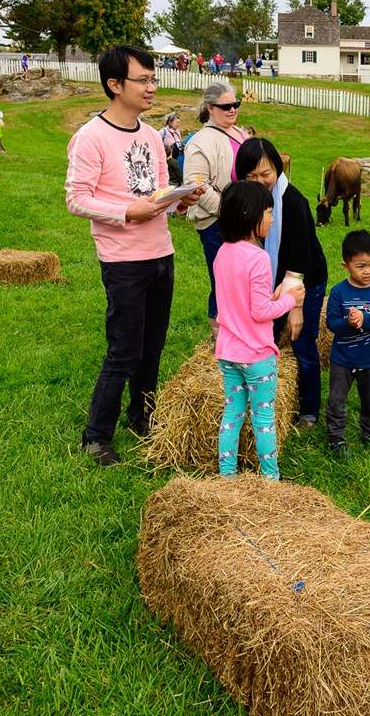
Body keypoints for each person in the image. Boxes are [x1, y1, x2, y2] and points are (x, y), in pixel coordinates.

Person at [64, 44, 205, 467]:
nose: (152, 87)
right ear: (114, 84)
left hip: (161, 252)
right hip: (122, 260)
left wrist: (179, 199)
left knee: (153, 346)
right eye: (143, 79)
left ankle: (142, 417)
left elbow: (158, 190)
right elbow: (76, 199)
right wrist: (128, 211)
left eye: (153, 78)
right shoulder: (90, 137)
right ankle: (96, 436)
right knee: (124, 350)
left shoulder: (150, 135)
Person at [236, 137, 329, 427]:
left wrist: (295, 307)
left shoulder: (293, 202)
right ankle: (267, 399)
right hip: (272, 280)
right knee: (268, 338)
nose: (260, 181)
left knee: (302, 341)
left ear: (278, 169)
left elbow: (300, 260)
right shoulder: (247, 200)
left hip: (305, 280)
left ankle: (309, 410)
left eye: (266, 174)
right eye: (251, 176)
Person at [213, 180, 303, 480]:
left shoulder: (223, 253)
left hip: (228, 352)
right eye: (268, 211)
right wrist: (291, 300)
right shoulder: (259, 258)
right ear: (251, 215)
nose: (273, 218)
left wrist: (274, 296)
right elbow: (260, 312)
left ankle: (227, 475)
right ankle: (270, 479)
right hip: (256, 356)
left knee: (232, 415)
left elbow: (240, 301)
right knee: (263, 419)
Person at [183, 81, 248, 342]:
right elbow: (197, 186)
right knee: (223, 283)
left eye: (236, 104)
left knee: (242, 281)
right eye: (226, 106)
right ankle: (220, 339)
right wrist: (230, 213)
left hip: (244, 222)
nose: (232, 110)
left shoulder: (239, 133)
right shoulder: (200, 142)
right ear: (210, 108)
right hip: (216, 224)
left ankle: (240, 333)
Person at [324, 230, 370, 459]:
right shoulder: (338, 292)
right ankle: (336, 438)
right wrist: (350, 323)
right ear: (346, 266)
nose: (368, 271)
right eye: (361, 266)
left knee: (369, 399)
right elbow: (331, 323)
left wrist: (365, 319)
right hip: (342, 359)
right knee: (336, 400)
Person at [160, 112, 184, 186]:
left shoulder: (177, 131)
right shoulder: (163, 131)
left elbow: (180, 141)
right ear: (170, 122)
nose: (178, 124)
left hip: (179, 156)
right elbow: (156, 141)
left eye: (179, 122)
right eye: (176, 122)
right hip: (169, 158)